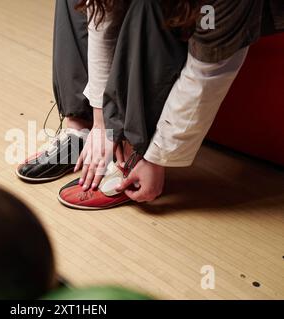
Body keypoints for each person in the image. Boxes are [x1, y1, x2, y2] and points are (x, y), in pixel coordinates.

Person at [16, 0, 284, 210]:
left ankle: (134, 154)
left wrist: (157, 157)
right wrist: (99, 121)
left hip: (224, 14)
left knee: (151, 8)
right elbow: (102, 18)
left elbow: (206, 74)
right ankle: (81, 131)